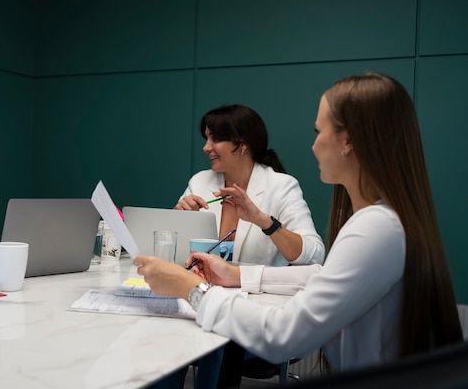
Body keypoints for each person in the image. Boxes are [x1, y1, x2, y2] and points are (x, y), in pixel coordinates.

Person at [136, 73, 463, 379]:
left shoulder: (375, 228)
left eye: (319, 132)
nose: (313, 145)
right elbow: (322, 276)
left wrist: (191, 289)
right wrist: (235, 275)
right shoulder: (383, 222)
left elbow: (283, 334)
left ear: (347, 141)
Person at [175, 104, 325, 266]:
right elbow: (173, 251)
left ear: (243, 143)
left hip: (256, 290)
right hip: (202, 288)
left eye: (215, 138)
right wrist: (178, 218)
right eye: (206, 139)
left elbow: (315, 255)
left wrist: (264, 222)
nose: (206, 147)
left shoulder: (281, 186)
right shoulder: (199, 182)